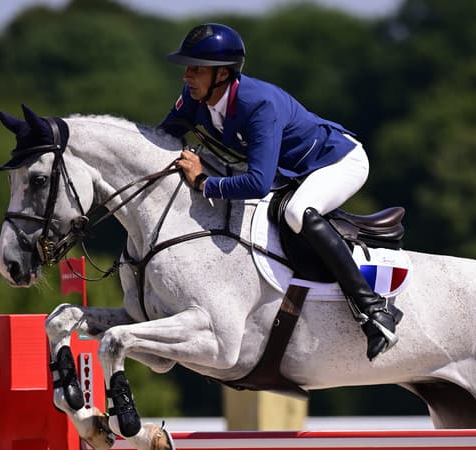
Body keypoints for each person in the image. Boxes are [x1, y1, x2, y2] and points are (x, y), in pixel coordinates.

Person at [158, 23, 398, 361]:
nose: (186, 75)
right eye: (187, 67)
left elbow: (256, 182)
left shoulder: (258, 106)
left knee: (297, 212)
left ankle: (374, 310)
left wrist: (202, 182)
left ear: (222, 75)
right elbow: (160, 141)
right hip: (288, 174)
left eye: (195, 68)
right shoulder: (193, 100)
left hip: (337, 162)